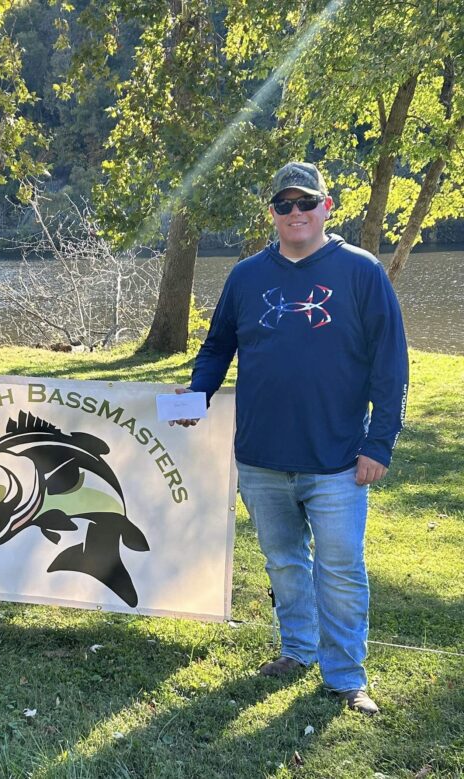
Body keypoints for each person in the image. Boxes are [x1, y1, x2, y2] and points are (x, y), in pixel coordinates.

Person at [176, 161, 408, 715]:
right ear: (273, 214)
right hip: (260, 458)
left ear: (327, 207)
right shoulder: (246, 277)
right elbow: (216, 348)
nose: (296, 213)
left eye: (306, 203)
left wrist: (379, 444)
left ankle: (347, 677)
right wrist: (195, 396)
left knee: (341, 569)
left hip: (337, 462)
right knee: (283, 562)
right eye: (284, 205)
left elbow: (390, 365)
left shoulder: (362, 272)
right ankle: (297, 650)